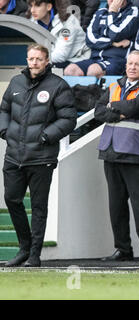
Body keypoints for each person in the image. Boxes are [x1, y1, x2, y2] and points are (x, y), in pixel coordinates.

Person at [0, 44, 77, 267]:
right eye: (31, 58)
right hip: (14, 155)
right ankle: (24, 248)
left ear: (46, 61)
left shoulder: (58, 86)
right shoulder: (16, 82)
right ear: (27, 60)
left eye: (38, 59)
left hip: (41, 157)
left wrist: (45, 136)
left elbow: (68, 119)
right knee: (12, 199)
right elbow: (4, 109)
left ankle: (34, 255)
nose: (34, 63)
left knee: (38, 206)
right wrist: (4, 131)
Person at [94, 51, 139, 262]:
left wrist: (113, 107)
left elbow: (137, 107)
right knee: (117, 204)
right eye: (129, 63)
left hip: (134, 151)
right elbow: (97, 111)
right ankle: (123, 248)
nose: (132, 67)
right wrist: (118, 111)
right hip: (110, 151)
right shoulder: (114, 86)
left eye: (137, 64)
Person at [64, 0, 139, 78]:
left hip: (118, 60)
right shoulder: (100, 13)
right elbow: (90, 39)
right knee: (70, 70)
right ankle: (81, 90)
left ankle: (93, 90)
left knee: (93, 71)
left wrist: (112, 13)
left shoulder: (133, 12)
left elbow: (116, 34)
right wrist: (113, 43)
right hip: (95, 59)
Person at [28, 0, 91, 69]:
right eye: (31, 6)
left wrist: (38, 60)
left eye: (37, 6)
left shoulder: (69, 22)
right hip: (54, 61)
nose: (32, 10)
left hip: (78, 60)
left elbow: (61, 56)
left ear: (49, 6)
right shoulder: (34, 22)